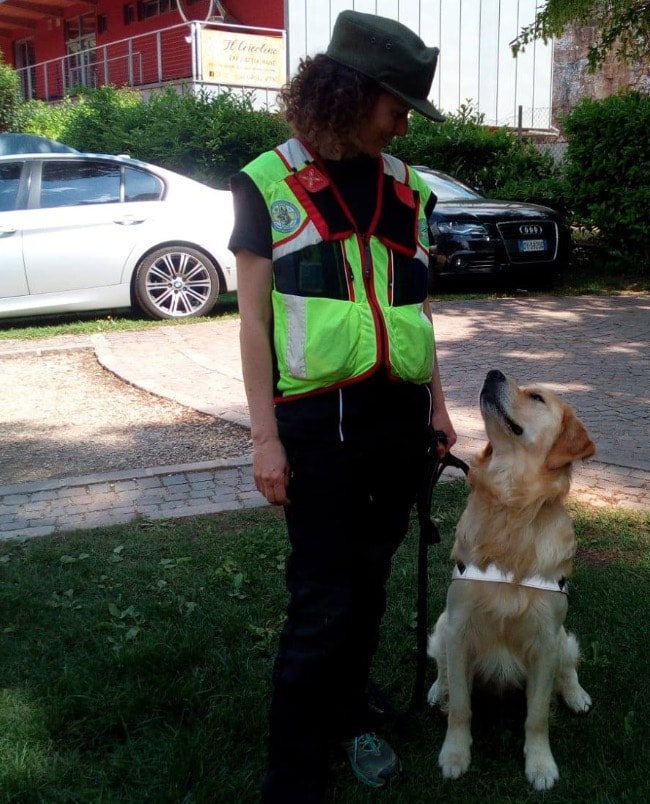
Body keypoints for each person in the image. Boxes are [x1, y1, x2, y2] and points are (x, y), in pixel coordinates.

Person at [228, 9, 457, 802]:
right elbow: (253, 325)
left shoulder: (408, 189)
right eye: (396, 107)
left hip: (397, 426)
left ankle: (350, 709)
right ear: (352, 93)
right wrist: (264, 439)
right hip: (315, 431)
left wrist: (438, 406)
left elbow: (415, 311)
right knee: (322, 596)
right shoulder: (267, 182)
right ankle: (292, 773)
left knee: (370, 583)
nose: (401, 125)